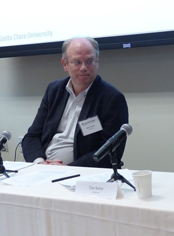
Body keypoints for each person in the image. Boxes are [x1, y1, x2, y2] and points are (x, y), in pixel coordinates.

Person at [22, 36, 129, 168]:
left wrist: (68, 169)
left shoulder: (112, 98)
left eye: (89, 61)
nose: (84, 68)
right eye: (77, 62)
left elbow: (110, 152)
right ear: (65, 64)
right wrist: (40, 163)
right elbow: (32, 136)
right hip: (44, 169)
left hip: (83, 174)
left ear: (97, 62)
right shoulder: (54, 91)